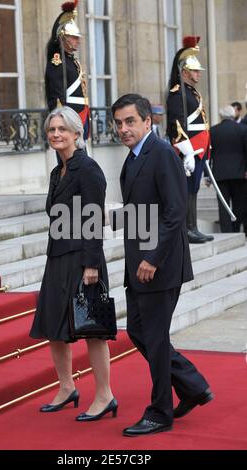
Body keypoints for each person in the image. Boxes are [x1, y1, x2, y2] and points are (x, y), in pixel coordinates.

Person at [112, 94, 213, 437]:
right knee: (140, 332)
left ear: (146, 122)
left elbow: (175, 213)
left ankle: (159, 412)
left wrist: (152, 258)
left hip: (159, 265)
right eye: (118, 123)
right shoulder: (135, 157)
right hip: (140, 264)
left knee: (153, 338)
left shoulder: (162, 154)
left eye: (129, 121)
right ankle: (192, 385)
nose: (123, 128)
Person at [30, 106, 117, 421]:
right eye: (51, 130)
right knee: (54, 326)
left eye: (62, 130)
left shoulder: (89, 169)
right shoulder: (58, 171)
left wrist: (92, 264)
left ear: (76, 134)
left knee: (92, 329)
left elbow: (95, 218)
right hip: (58, 257)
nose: (55, 134)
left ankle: (105, 395)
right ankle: (67, 387)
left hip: (84, 259)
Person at [166, 36, 214, 244]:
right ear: (184, 72)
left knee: (193, 189)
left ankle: (193, 226)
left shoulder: (191, 93)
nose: (198, 74)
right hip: (189, 148)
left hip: (199, 147)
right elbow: (176, 125)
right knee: (186, 189)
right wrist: (186, 150)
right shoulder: (178, 94)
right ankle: (187, 228)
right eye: (194, 71)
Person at [45, 1, 90, 140]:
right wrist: (62, 121)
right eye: (74, 37)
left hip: (81, 114)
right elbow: (57, 97)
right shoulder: (57, 62)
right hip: (69, 117)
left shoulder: (72, 60)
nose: (78, 41)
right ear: (64, 37)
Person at [210, 105, 247, 233]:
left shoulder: (213, 131)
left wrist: (207, 174)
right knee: (239, 204)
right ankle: (236, 229)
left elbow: (208, 154)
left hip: (219, 173)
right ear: (233, 115)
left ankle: (226, 231)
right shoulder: (243, 129)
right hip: (239, 173)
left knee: (223, 205)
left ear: (221, 116)